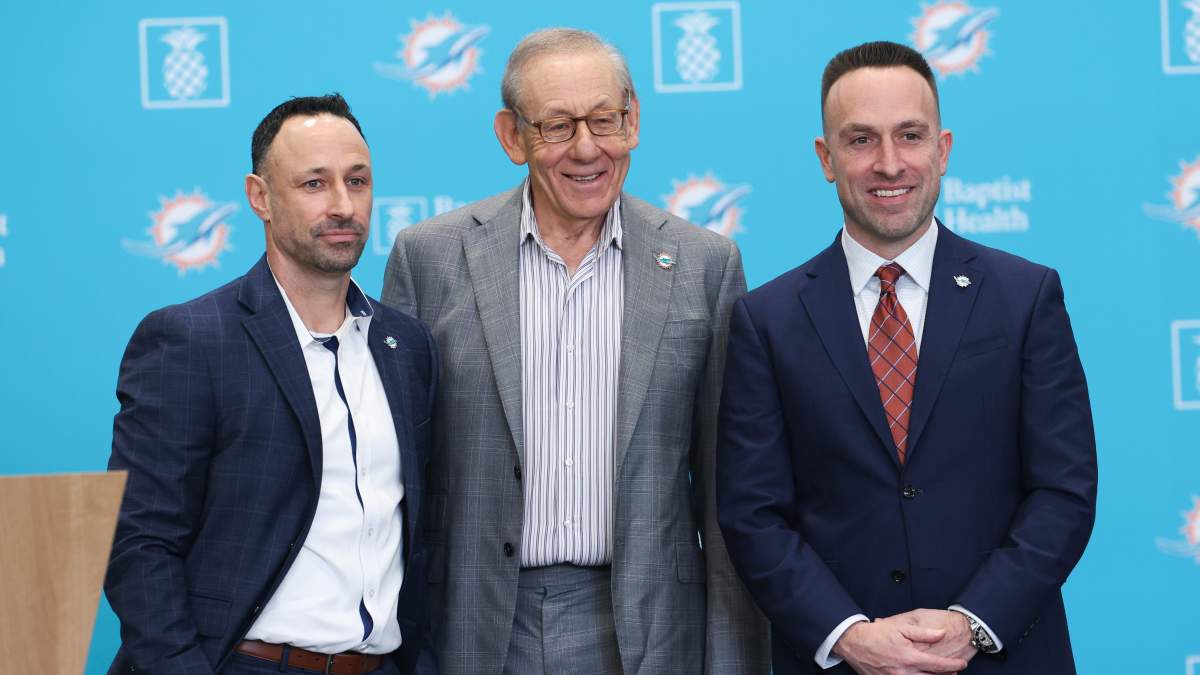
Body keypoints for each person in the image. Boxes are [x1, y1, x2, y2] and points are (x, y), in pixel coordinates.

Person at [381, 27, 768, 675]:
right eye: (557, 126)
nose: (587, 148)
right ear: (512, 136)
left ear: (633, 120)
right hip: (472, 627)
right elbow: (395, 478)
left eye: (604, 119)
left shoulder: (705, 264)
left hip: (648, 629)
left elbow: (726, 492)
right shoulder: (429, 257)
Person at [716, 41, 1098, 675]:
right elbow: (752, 514)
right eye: (861, 140)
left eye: (909, 135)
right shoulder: (768, 319)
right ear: (826, 158)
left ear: (942, 149)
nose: (889, 163)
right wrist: (849, 636)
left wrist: (972, 623)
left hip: (1002, 657)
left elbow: (1064, 491)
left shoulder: (1025, 297)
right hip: (841, 663)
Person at [105, 94, 437, 674]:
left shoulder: (406, 346)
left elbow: (421, 538)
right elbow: (138, 543)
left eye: (357, 181)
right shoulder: (191, 339)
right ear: (260, 196)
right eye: (314, 184)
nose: (343, 205)